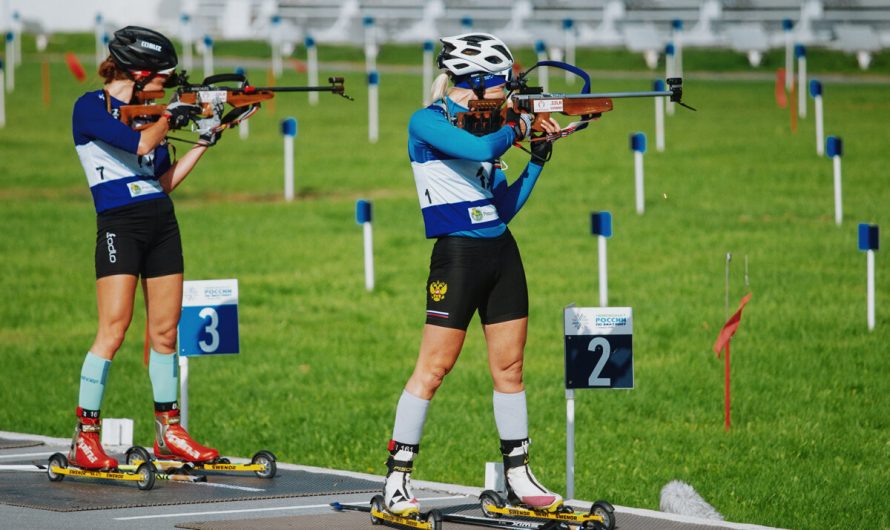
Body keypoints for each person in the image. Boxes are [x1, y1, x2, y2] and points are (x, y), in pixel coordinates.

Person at [382, 33, 564, 516]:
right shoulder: (427, 122)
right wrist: (519, 125)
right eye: (501, 84)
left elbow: (502, 207)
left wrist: (538, 158)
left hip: (500, 251)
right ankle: (396, 480)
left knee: (510, 369)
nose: (507, 92)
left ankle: (519, 476)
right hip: (457, 256)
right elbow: (480, 149)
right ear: (478, 81)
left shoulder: (491, 126)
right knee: (434, 368)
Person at [69, 26, 224, 470]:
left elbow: (161, 182)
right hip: (119, 224)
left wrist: (204, 140)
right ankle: (87, 435)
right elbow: (140, 143)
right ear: (138, 74)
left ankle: (169, 431)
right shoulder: (89, 108)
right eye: (162, 77)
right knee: (113, 330)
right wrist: (170, 116)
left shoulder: (151, 112)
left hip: (160, 222)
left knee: (165, 332)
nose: (168, 84)